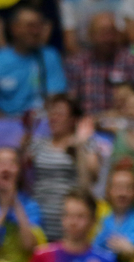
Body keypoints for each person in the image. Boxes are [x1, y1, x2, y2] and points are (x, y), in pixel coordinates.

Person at [26, 96, 102, 240]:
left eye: (60, 114)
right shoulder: (38, 144)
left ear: (73, 119)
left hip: (71, 219)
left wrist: (79, 146)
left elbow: (93, 177)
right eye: (52, 113)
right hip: (41, 217)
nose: (54, 118)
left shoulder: (85, 143)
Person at [65, 13, 134, 116]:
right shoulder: (77, 64)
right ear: (90, 35)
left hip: (123, 123)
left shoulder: (129, 61)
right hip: (88, 125)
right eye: (103, 33)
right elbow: (70, 103)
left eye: (112, 33)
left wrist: (132, 96)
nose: (108, 38)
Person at [0, 7, 67, 116]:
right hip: (8, 124)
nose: (35, 31)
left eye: (39, 26)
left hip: (43, 123)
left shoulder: (49, 56)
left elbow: (56, 97)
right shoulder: (2, 61)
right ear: (14, 28)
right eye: (30, 26)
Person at [94, 168, 134, 262]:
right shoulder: (100, 218)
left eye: (128, 188)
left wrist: (133, 251)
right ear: (109, 190)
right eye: (118, 187)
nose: (123, 193)